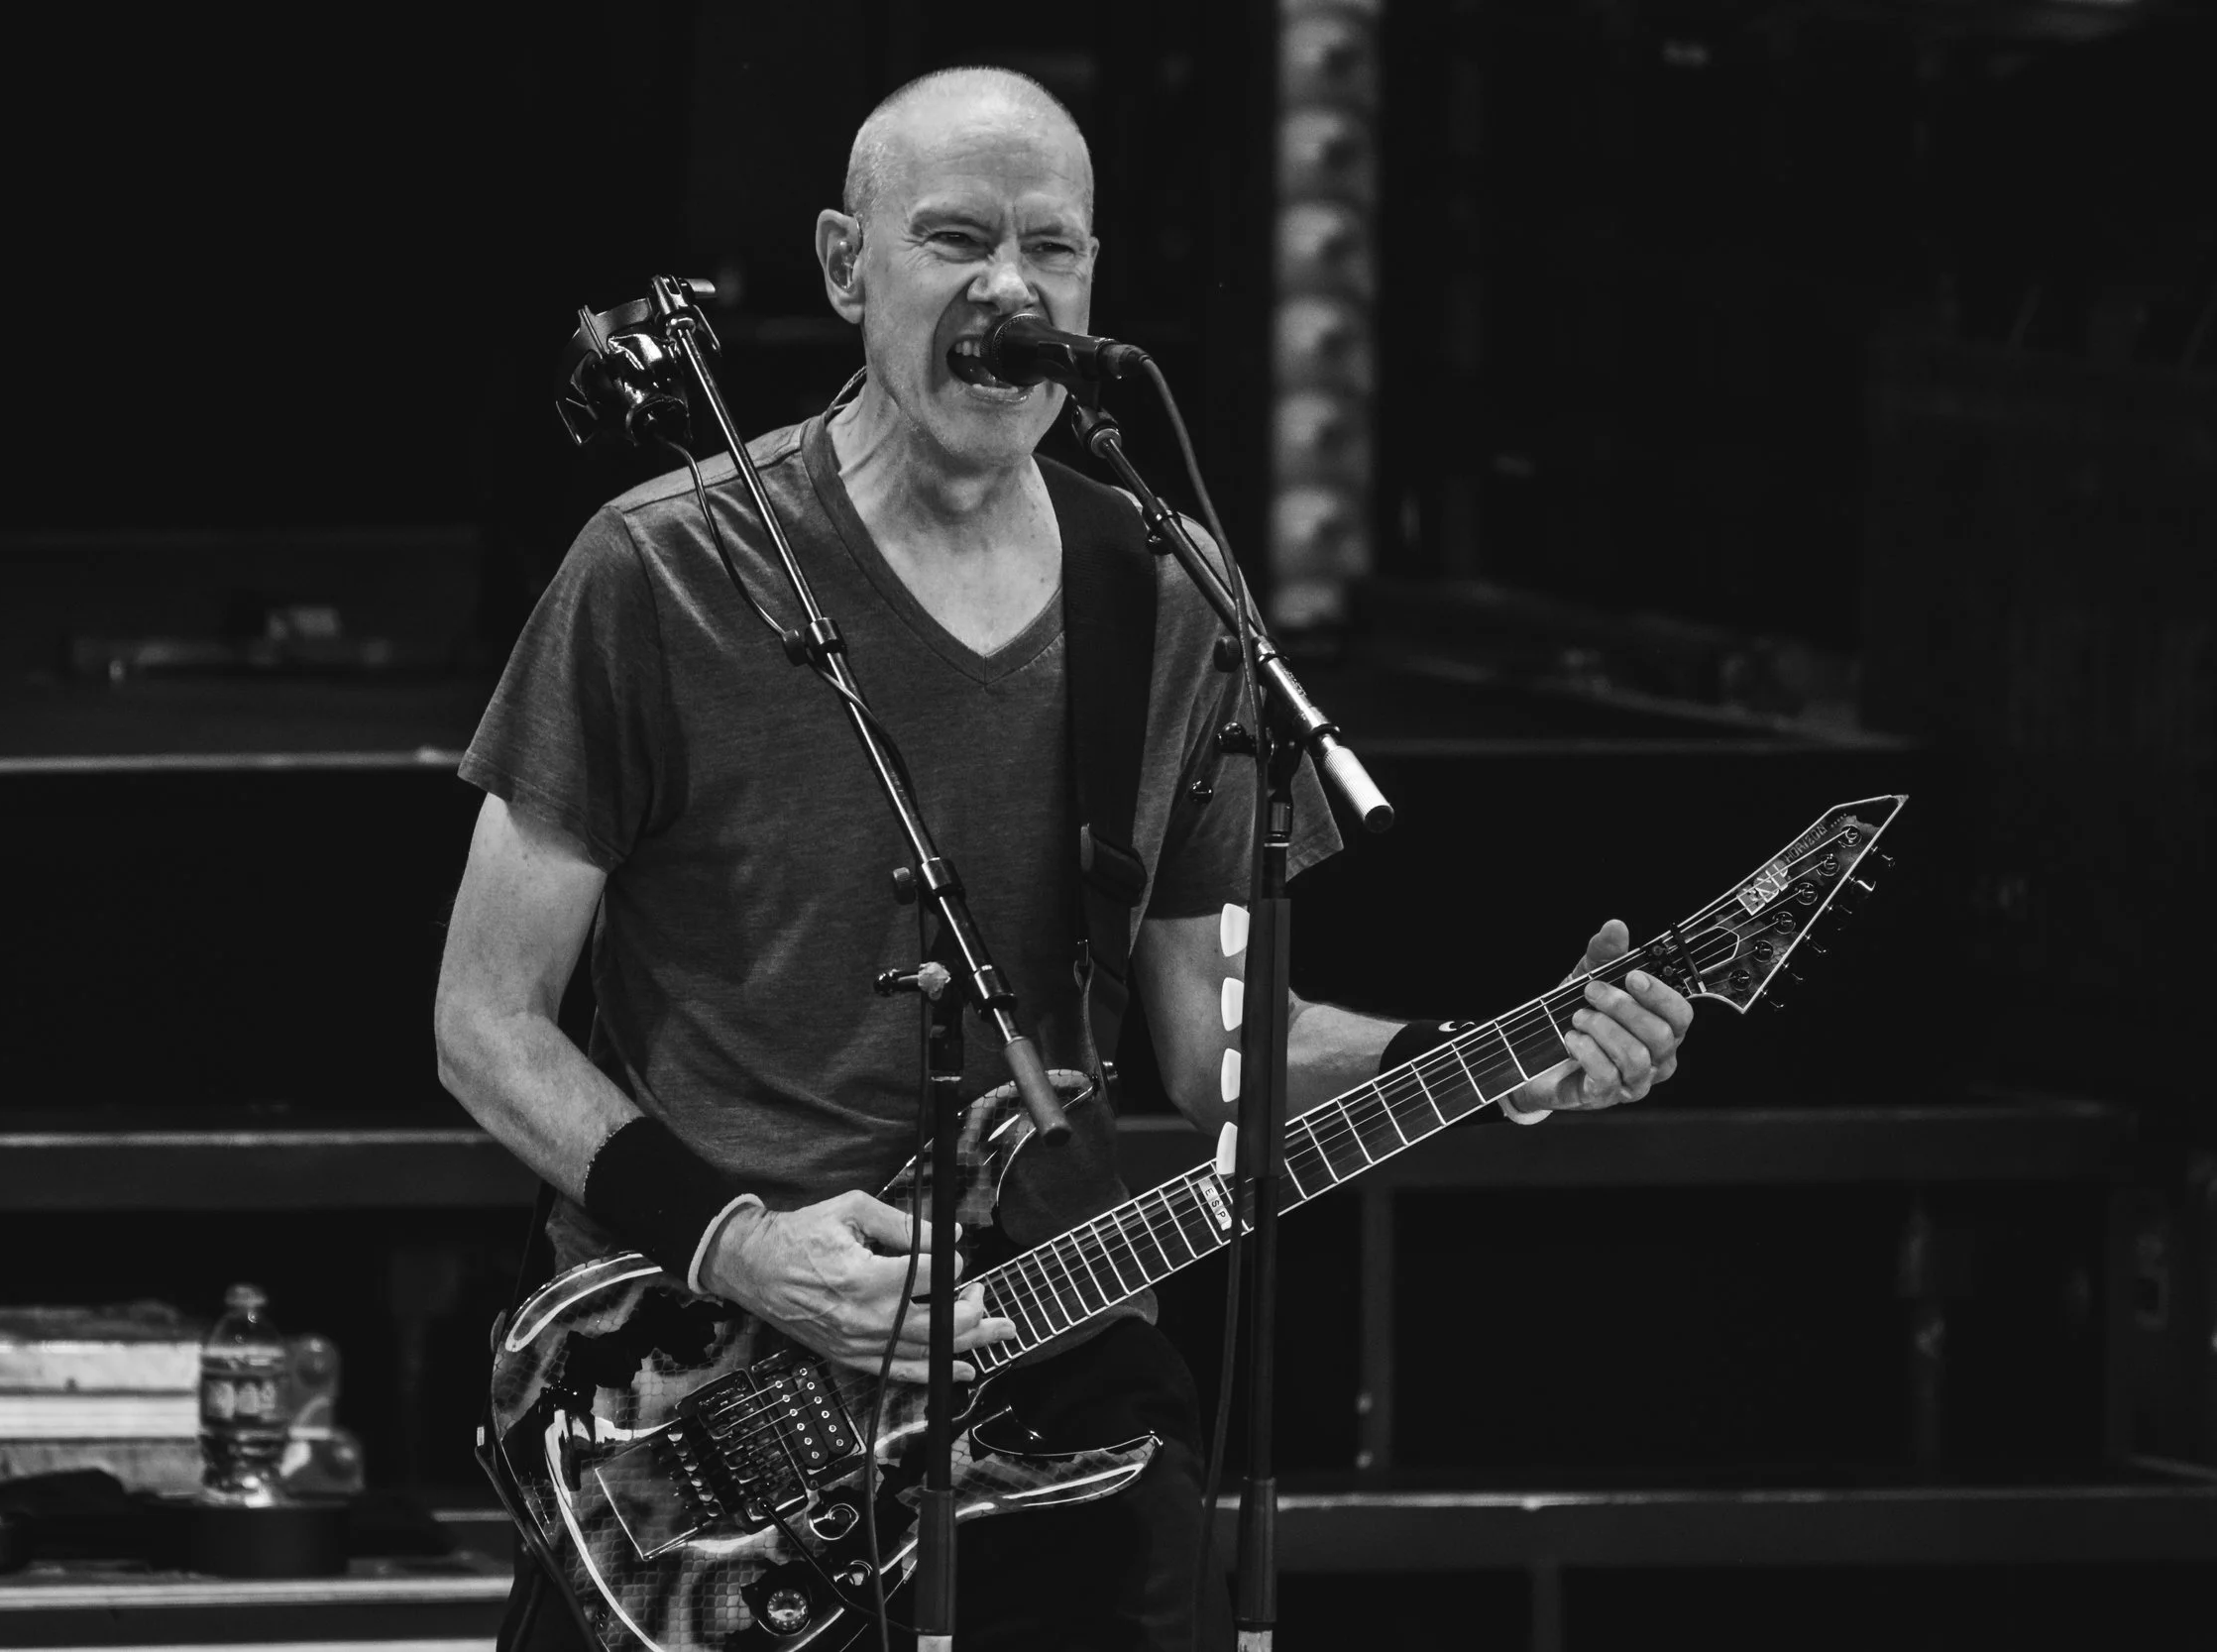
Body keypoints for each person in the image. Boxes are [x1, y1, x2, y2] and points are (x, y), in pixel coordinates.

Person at [435, 65, 1693, 1652]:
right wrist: (743, 1247)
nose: (1009, 289)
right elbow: (484, 1020)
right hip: (696, 1391)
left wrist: (1496, 1055)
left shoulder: (1158, 589)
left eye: (1052, 248)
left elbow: (1219, 1047)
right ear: (846, 265)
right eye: (956, 239)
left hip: (1043, 1358)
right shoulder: (660, 568)